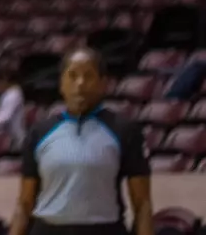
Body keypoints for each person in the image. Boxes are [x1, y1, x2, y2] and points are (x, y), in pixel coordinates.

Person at [10, 48, 151, 235]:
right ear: (61, 83)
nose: (80, 84)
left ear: (103, 84)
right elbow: (24, 203)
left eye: (89, 76)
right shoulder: (39, 132)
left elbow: (142, 205)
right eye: (72, 76)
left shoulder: (125, 131)